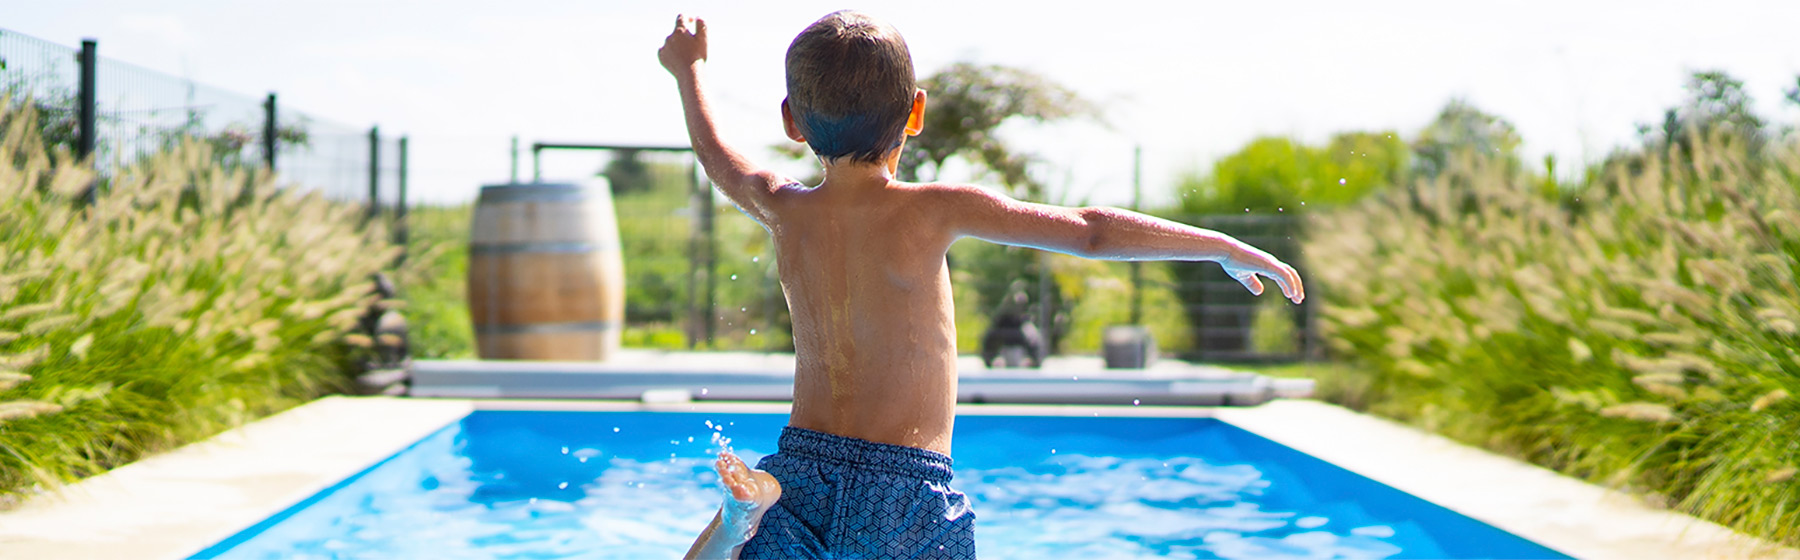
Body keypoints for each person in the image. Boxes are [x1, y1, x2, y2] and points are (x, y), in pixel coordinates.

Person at [663, 11, 1304, 560]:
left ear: (792, 121)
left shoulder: (784, 208)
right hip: (906, 487)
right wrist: (1221, 245)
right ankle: (742, 518)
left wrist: (689, 71)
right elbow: (1090, 231)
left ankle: (740, 521)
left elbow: (718, 157)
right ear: (916, 112)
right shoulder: (933, 209)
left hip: (801, 468)